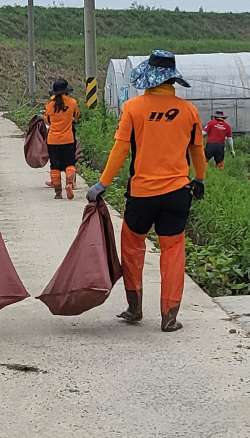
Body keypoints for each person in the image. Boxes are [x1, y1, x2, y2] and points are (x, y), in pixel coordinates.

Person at [86, 50, 206, 333]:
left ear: (149, 79)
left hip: (141, 195)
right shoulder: (189, 111)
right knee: (173, 251)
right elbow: (197, 151)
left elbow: (121, 149)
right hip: (177, 193)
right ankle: (169, 316)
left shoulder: (134, 108)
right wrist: (199, 179)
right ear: (172, 81)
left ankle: (134, 307)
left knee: (132, 246)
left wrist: (102, 184)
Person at [44, 78, 80, 200]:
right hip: (68, 139)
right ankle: (69, 183)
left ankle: (58, 193)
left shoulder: (49, 105)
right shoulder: (72, 103)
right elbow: (76, 117)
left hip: (53, 140)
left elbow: (48, 120)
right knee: (69, 163)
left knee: (55, 165)